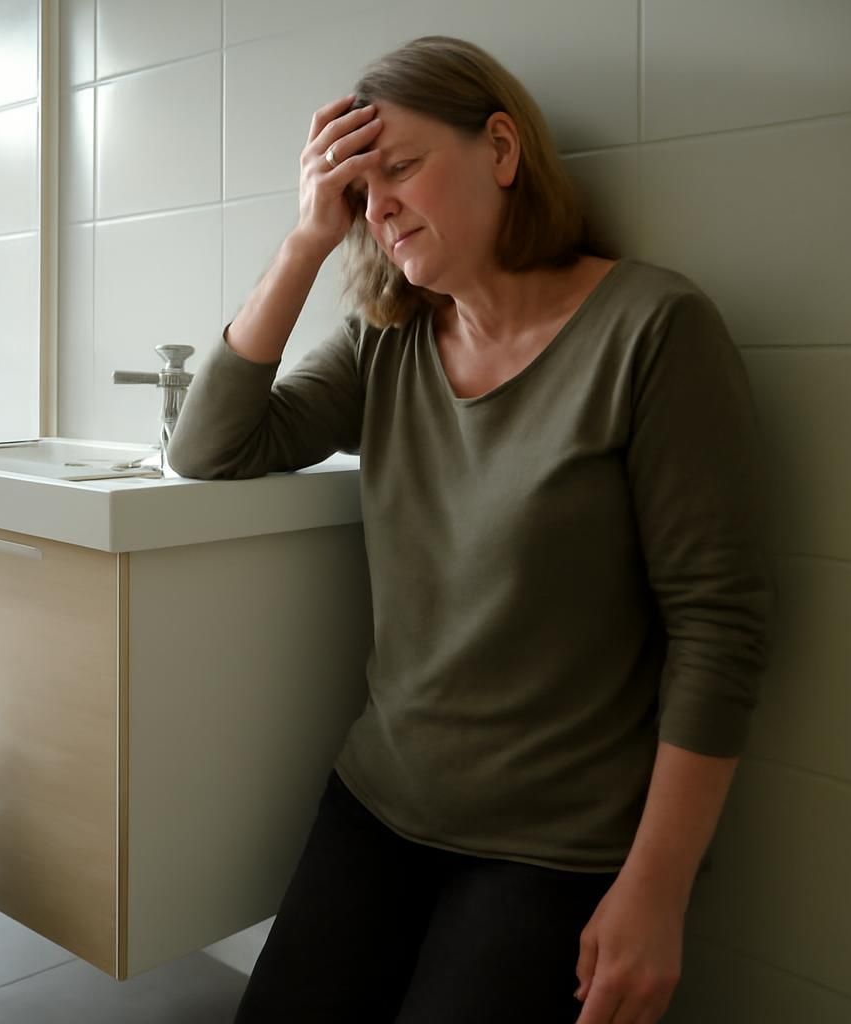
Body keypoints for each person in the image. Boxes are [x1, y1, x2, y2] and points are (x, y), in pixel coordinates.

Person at [165, 35, 773, 1024]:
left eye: (401, 168)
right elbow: (210, 447)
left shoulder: (652, 329)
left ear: (500, 148)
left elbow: (720, 625)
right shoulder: (387, 341)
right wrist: (307, 241)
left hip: (554, 850)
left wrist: (657, 890)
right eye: (360, 191)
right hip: (377, 805)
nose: (379, 207)